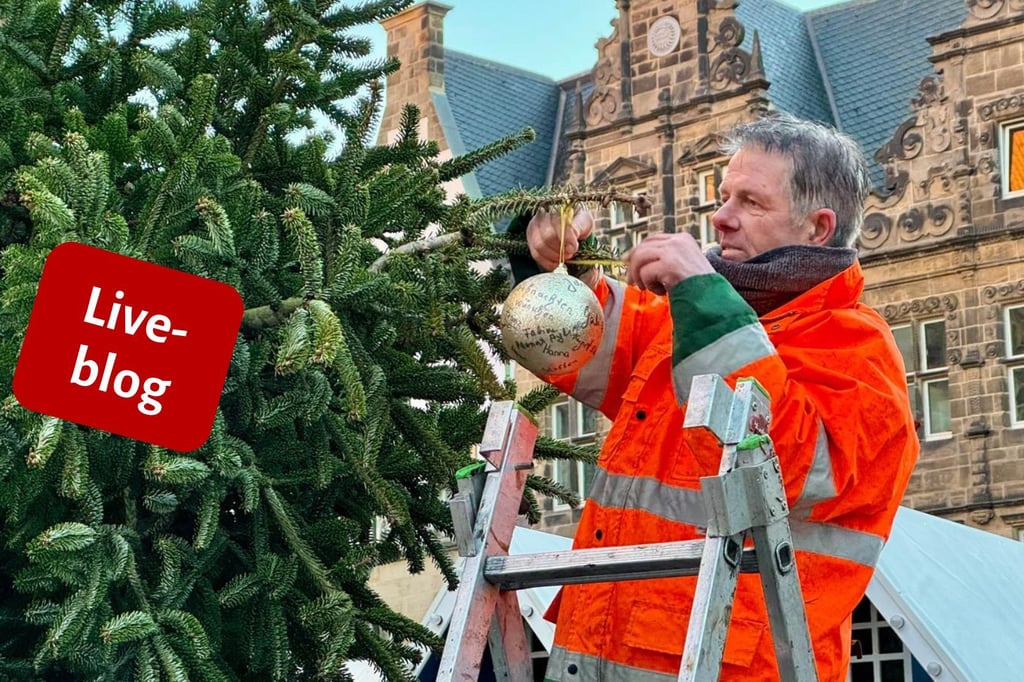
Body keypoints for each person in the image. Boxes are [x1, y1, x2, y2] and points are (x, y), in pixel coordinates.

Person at [516, 113, 919, 681]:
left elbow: (780, 472)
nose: (721, 217)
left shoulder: (858, 351)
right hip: (600, 656)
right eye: (724, 195)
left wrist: (702, 294)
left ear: (817, 227)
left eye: (750, 202)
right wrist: (555, 255)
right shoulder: (687, 322)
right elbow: (570, 344)